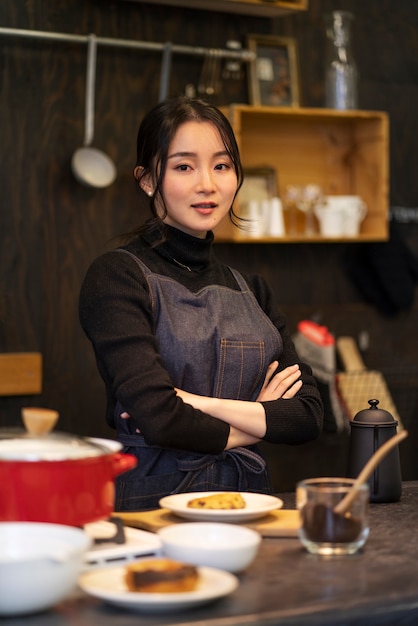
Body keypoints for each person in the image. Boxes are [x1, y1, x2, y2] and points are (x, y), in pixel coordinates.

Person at [79, 96, 323, 511]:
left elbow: (309, 416)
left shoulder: (252, 288)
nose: (207, 184)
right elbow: (160, 417)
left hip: (249, 503)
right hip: (152, 507)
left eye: (222, 165)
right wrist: (260, 417)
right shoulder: (117, 276)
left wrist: (201, 404)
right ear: (147, 180)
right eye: (184, 166)